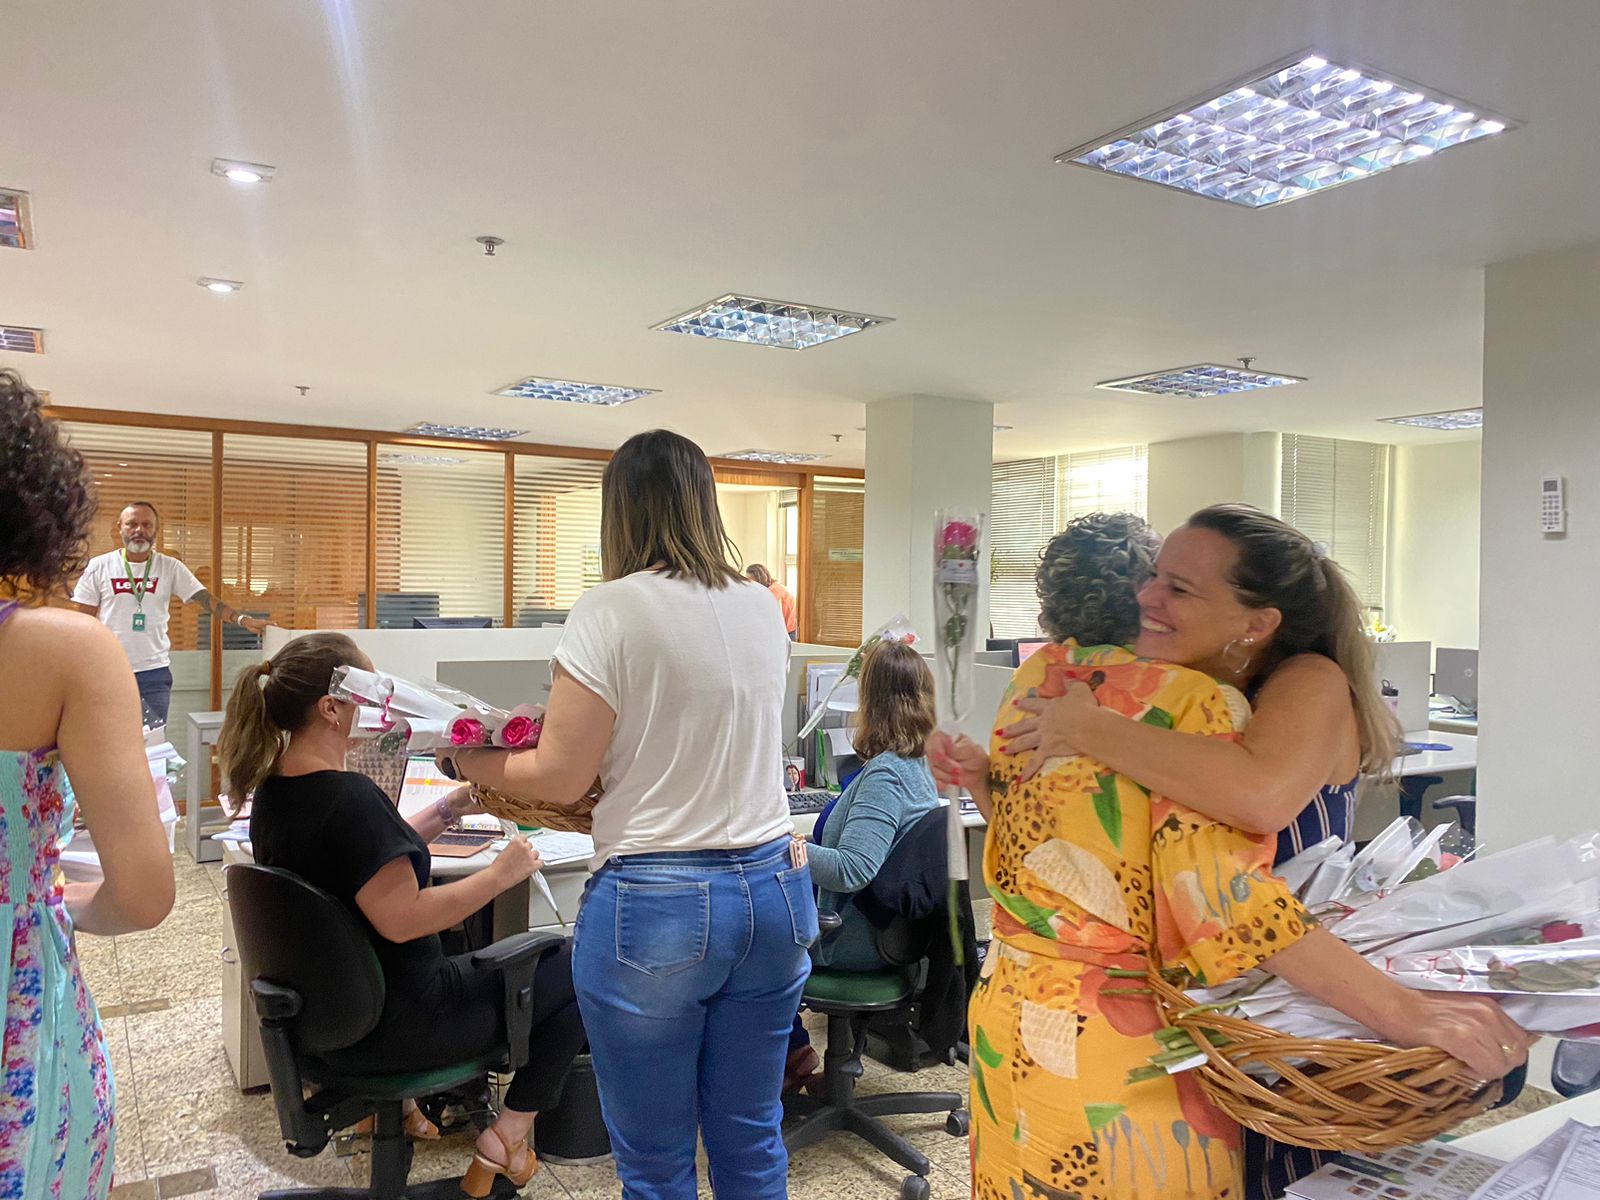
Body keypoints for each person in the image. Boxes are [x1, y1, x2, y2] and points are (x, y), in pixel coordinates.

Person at [929, 512, 1531, 1200]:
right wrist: (989, 781)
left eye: (1179, 588)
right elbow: (1080, 863)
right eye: (1154, 576)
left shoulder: (1292, 682)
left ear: (1256, 623)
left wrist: (1407, 1014)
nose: (1146, 597)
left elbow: (1249, 821)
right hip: (1207, 1019)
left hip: (1287, 1013)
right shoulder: (1172, 692)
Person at [444, 429, 813, 1200]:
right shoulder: (761, 607)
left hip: (660, 903)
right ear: (704, 503)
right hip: (775, 893)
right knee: (751, 1137)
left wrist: (467, 758)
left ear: (620, 511)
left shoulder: (610, 608)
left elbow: (560, 775)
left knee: (656, 1161)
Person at [221, 632, 585, 1198]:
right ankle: (508, 1137)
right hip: (407, 1022)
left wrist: (449, 807)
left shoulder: (277, 793)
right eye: (370, 693)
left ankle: (400, 1114)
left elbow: (363, 863)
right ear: (332, 707)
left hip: (333, 1020)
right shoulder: (348, 798)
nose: (380, 706)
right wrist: (501, 874)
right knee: (581, 968)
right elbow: (404, 917)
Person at [0, 368, 176, 1198]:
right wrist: (43, 903)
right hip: (18, 1016)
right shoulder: (62, 651)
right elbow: (143, 895)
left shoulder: (162, 572)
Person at [783, 639, 942, 1091]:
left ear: (870, 701)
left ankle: (785, 1059)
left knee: (748, 942)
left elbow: (852, 869)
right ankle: (795, 1054)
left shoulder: (885, 775)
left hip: (852, 940)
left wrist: (787, 849)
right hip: (892, 934)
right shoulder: (918, 766)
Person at [71, 500, 272, 728]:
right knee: (108, 737)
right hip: (108, 670)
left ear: (156, 530)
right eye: (132, 524)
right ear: (119, 528)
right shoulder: (98, 567)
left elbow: (204, 599)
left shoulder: (169, 567)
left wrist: (241, 619)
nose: (139, 530)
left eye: (147, 525)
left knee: (154, 742)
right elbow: (83, 622)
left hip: (153, 674)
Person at [745, 563, 797, 639]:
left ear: (760, 579)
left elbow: (767, 616)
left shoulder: (774, 590)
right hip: (789, 630)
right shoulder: (776, 587)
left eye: (752, 582)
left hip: (789, 632)